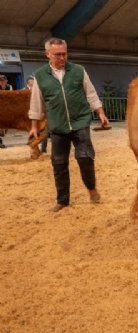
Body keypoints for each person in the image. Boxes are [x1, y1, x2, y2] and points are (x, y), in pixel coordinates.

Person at [28, 37, 109, 212]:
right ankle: (62, 200)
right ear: (47, 54)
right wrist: (34, 126)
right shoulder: (40, 76)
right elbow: (36, 103)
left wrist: (101, 113)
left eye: (64, 53)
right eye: (58, 54)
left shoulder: (79, 71)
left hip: (80, 121)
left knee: (85, 157)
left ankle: (91, 188)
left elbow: (91, 94)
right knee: (58, 163)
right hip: (57, 126)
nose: (62, 58)